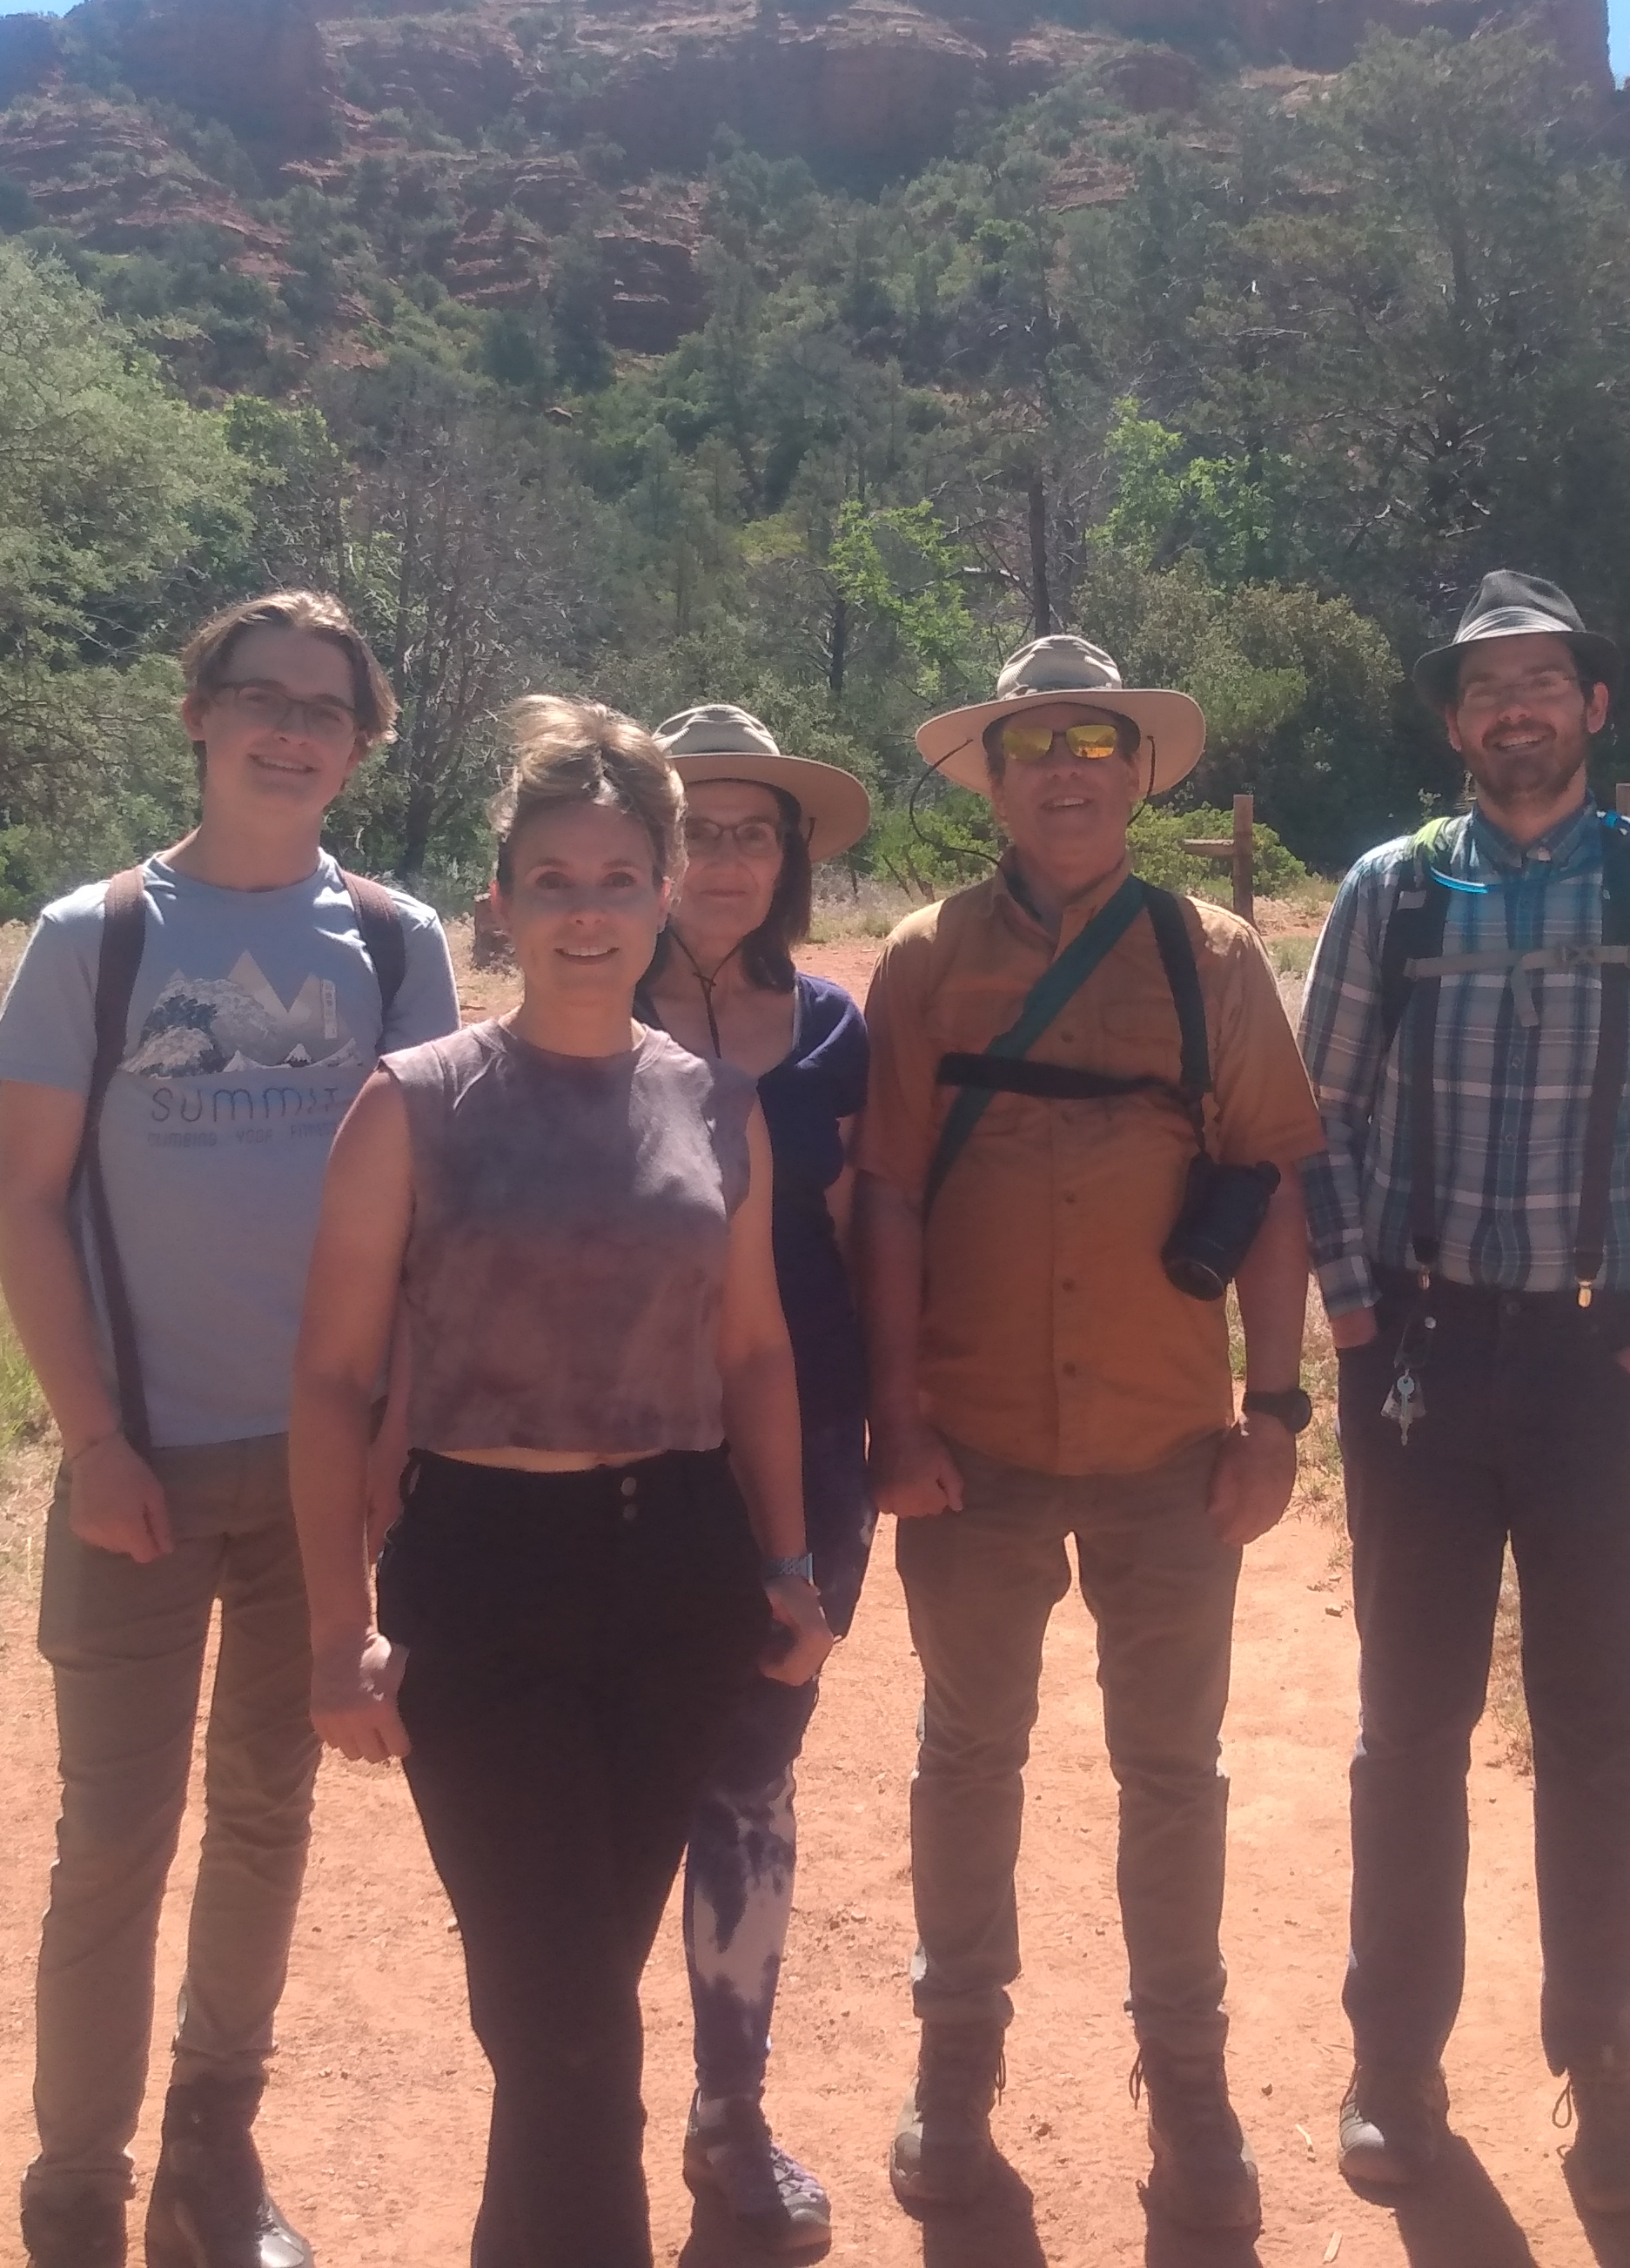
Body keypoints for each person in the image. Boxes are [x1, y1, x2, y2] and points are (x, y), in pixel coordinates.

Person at [287, 697, 836, 2268]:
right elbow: (331, 1382)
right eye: (552, 879)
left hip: (676, 1573)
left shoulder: (717, 1109)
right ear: (499, 903)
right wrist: (339, 1632)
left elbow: (754, 1359)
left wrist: (787, 1567)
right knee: (570, 2031)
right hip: (482, 1577)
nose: (585, 912)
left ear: (664, 892)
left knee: (574, 2007)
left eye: (616, 878)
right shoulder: (414, 1103)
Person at [1297, 572, 1630, 2218]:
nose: (1516, 710)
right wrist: (1360, 1315)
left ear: (1595, 706)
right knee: (1409, 1733)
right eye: (1486, 688)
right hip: (1426, 1365)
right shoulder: (1395, 894)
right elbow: (1325, 1127)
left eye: (1544, 682)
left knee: (1602, 1731)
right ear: (1455, 723)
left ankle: (1601, 2051)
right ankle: (1396, 2061)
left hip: (1612, 1366)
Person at [0, 591, 460, 2268]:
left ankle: (210, 2157)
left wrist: (397, 1443)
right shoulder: (92, 940)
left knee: (269, 1809)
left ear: (360, 740)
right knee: (112, 1838)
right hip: (144, 1468)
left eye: (324, 707)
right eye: (258, 696)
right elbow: (28, 1204)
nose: (289, 727)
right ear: (198, 715)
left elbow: (431, 1230)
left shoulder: (400, 950)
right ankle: (75, 2194)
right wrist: (95, 1438)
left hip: (322, 1470)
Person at [855, 634, 1328, 2234]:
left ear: (1138, 773)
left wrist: (1276, 1412)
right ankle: (954, 2077)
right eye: (1036, 741)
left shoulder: (1217, 962)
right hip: (972, 1448)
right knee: (967, 1759)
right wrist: (896, 1414)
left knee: (1172, 1775)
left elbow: (1267, 1184)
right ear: (993, 775)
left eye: (1099, 741)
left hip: (1165, 1447)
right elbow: (892, 1196)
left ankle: (1188, 2093)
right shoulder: (924, 962)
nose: (1068, 766)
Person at [635, 704, 879, 2263]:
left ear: (787, 857)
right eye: (695, 828)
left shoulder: (840, 1029)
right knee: (612, 1785)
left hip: (809, 1449)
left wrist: (891, 1430)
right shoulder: (580, 1002)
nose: (724, 858)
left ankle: (731, 2110)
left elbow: (863, 1240)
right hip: (625, 1447)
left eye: (752, 831)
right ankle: (582, 2108)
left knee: (751, 1777)